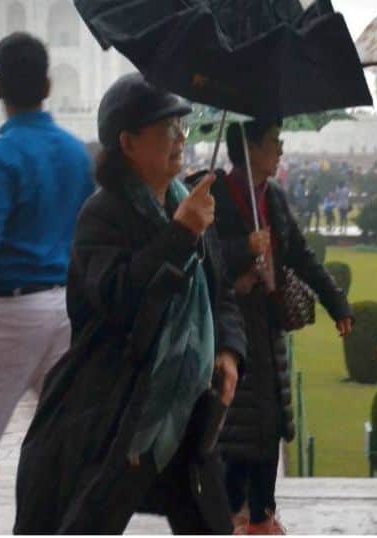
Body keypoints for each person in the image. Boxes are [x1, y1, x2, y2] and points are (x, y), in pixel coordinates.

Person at [14, 73, 246, 534]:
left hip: (180, 408)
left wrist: (228, 351)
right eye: (167, 128)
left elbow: (219, 296)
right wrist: (179, 234)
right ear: (128, 143)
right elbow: (121, 303)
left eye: (181, 126)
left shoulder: (189, 203)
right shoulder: (103, 216)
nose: (181, 137)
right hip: (117, 413)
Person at [0, 34, 95, 534]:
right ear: (49, 85)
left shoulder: (0, 156)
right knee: (66, 443)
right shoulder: (75, 155)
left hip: (8, 314)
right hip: (64, 311)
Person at [208, 119, 354, 535]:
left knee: (270, 422)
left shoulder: (272, 198)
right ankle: (234, 513)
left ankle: (262, 514)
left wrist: (336, 302)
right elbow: (201, 256)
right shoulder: (215, 194)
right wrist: (243, 250)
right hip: (229, 331)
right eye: (274, 142)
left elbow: (301, 257)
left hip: (267, 327)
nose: (281, 149)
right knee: (235, 429)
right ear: (251, 147)